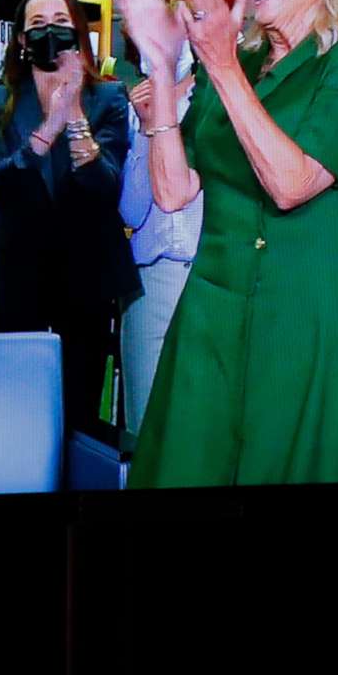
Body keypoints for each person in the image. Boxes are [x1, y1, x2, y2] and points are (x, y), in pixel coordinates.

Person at [116, 0, 338, 487]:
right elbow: (173, 192)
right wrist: (166, 69)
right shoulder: (236, 62)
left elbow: (293, 184)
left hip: (312, 311)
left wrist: (219, 64)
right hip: (214, 310)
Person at [0, 0, 136, 443]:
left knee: (79, 411)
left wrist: (73, 116)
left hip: (85, 276)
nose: (52, 33)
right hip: (14, 274)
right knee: (14, 408)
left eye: (61, 23)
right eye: (39, 26)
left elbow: (106, 186)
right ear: (23, 41)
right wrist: (47, 127)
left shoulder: (107, 99)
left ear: (80, 33)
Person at [117, 22, 201, 451]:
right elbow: (131, 209)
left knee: (206, 418)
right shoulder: (130, 108)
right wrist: (148, 131)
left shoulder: (217, 101)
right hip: (151, 278)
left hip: (210, 273)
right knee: (149, 423)